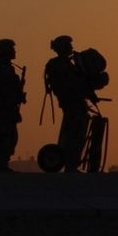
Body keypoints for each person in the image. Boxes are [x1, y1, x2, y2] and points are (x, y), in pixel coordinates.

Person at [44, 35, 96, 172]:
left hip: (75, 103)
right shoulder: (59, 65)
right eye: (69, 45)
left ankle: (71, 164)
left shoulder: (68, 63)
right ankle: (70, 164)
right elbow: (71, 84)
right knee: (74, 135)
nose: (72, 48)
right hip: (71, 103)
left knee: (76, 133)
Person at [0, 38, 26, 172]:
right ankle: (0, 165)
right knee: (3, 136)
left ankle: (3, 163)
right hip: (2, 108)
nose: (14, 51)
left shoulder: (7, 68)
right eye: (11, 48)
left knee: (11, 136)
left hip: (8, 108)